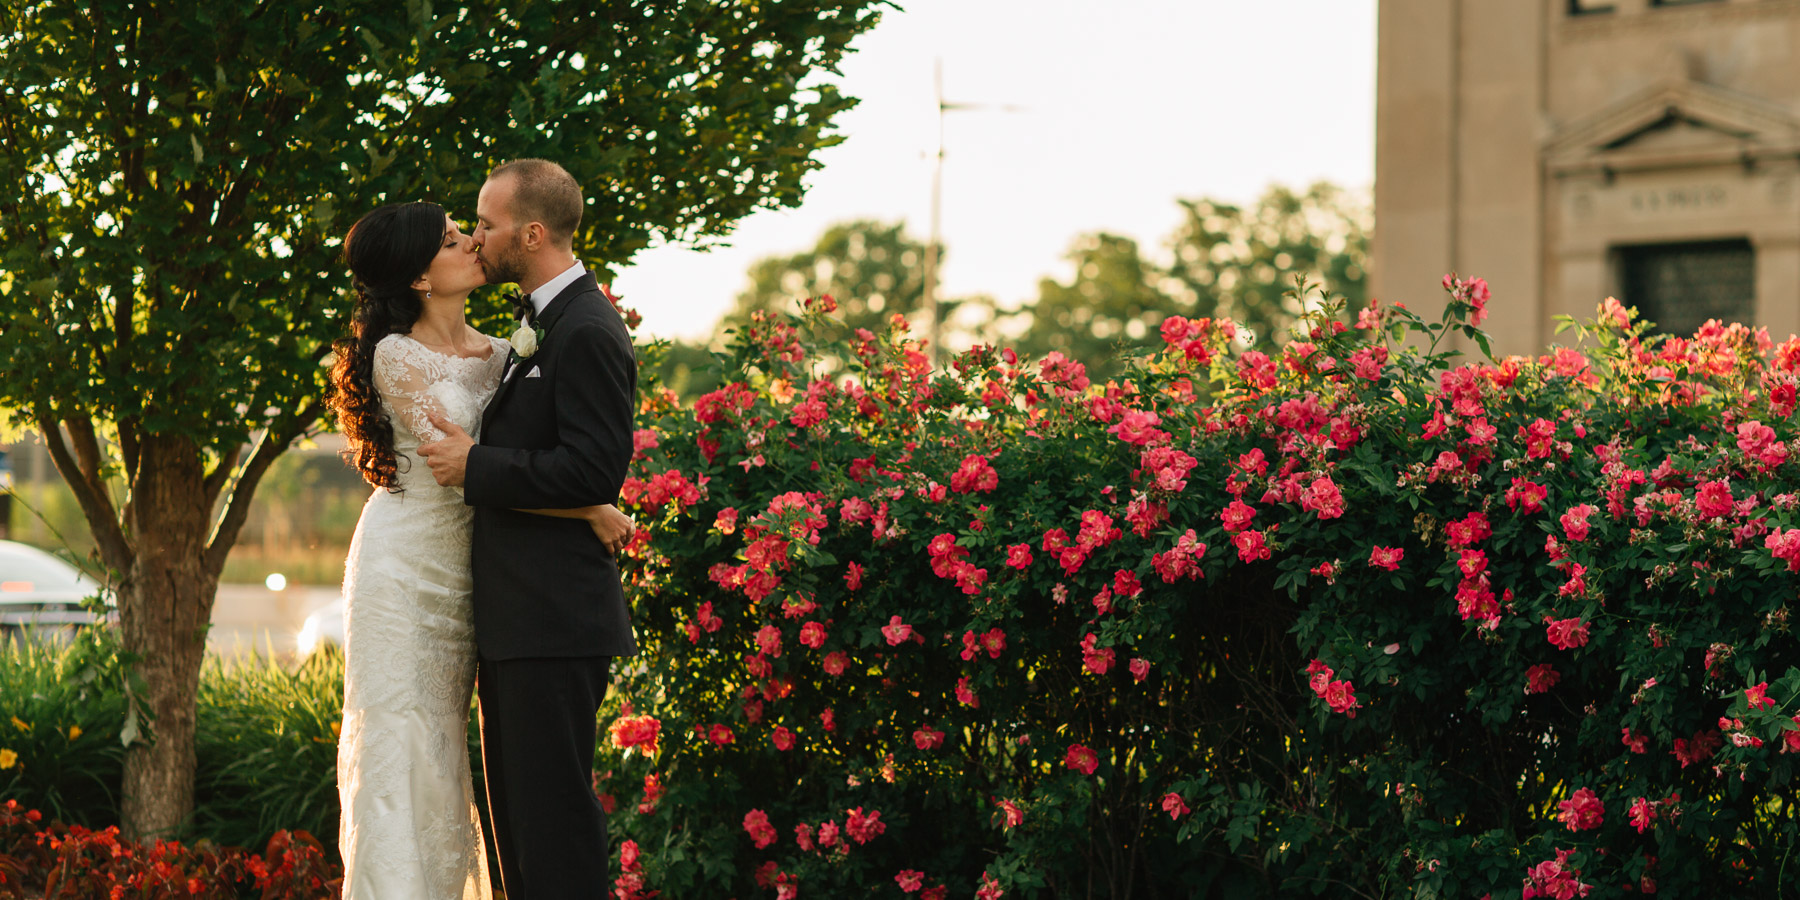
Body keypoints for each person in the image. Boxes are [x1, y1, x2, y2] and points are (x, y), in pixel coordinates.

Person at [328, 201, 635, 900]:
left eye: (466, 229)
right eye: (449, 239)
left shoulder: (505, 352)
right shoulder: (396, 357)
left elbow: (516, 458)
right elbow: (457, 463)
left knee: (453, 750)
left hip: (475, 575)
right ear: (417, 278)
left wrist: (586, 492)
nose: (470, 242)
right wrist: (588, 504)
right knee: (406, 743)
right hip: (404, 568)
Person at [418, 159, 639, 899]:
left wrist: (476, 466)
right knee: (522, 830)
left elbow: (591, 472)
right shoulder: (543, 320)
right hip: (523, 622)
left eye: (486, 223)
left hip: (555, 622)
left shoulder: (587, 329)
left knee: (554, 834)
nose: (476, 236)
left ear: (532, 231)